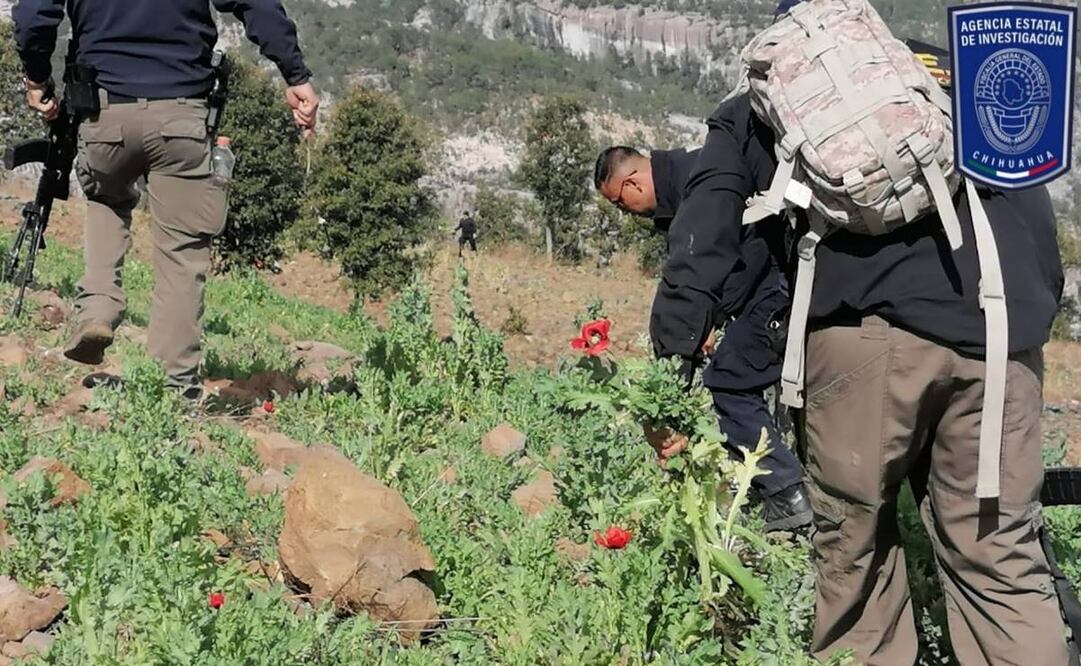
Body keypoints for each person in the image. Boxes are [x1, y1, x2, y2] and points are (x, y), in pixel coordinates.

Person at [667, 54, 1070, 662]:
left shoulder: (784, 83)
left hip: (864, 337)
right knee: (1000, 554)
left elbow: (709, 219)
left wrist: (672, 361)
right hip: (999, 332)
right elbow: (1029, 192)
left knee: (854, 552)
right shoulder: (943, 71)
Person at [14, 0, 319, 400]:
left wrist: (37, 79)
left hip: (105, 113)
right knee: (182, 251)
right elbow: (254, 4)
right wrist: (294, 74)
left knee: (107, 202)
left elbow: (34, 15)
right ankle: (173, 384)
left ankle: (98, 309)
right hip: (182, 116)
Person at [595, 146, 812, 532]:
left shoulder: (698, 181)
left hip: (780, 283)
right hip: (768, 283)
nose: (624, 211)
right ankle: (774, 487)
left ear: (631, 182)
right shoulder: (688, 176)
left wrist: (675, 372)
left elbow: (717, 261)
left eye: (620, 202)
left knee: (729, 381)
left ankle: (786, 492)